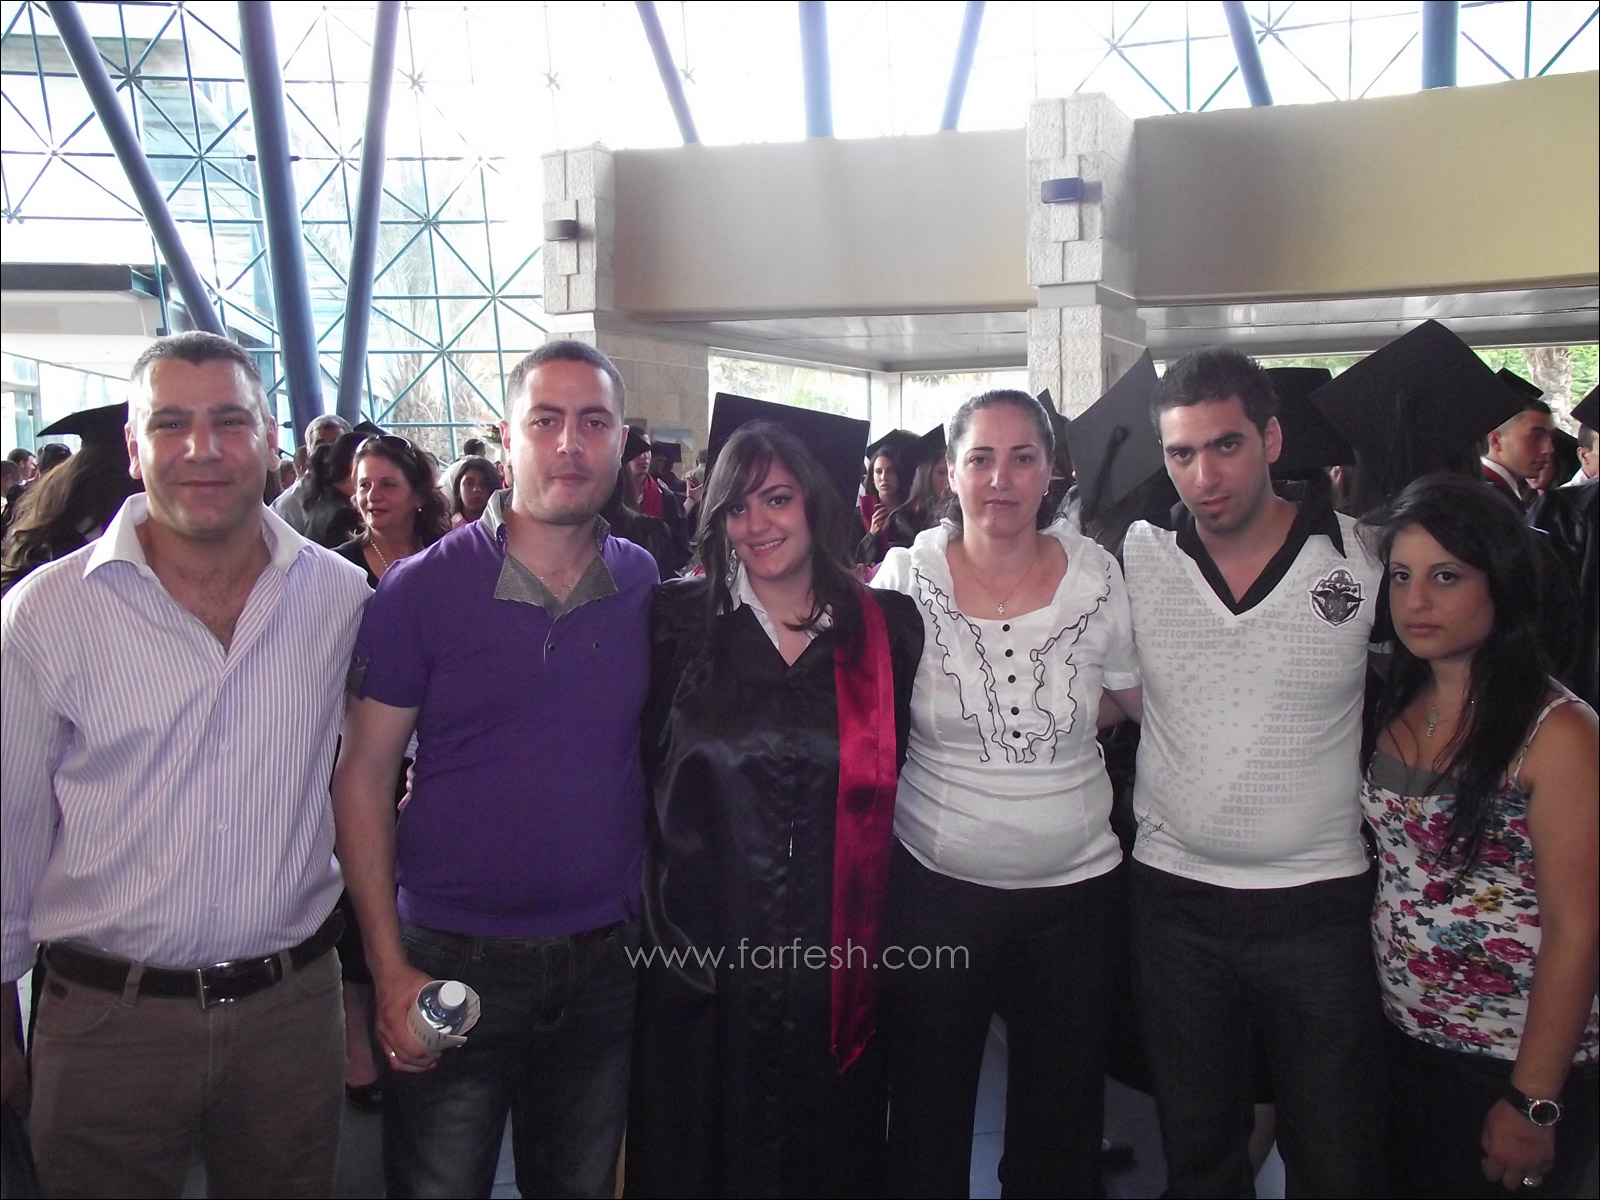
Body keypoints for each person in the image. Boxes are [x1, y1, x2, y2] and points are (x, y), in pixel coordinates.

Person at [0, 330, 370, 1197]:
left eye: (230, 421)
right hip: (106, 1028)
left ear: (271, 443)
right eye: (171, 424)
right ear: (134, 447)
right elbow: (7, 832)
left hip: (289, 1019)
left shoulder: (340, 598)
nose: (202, 448)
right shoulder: (44, 616)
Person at [332, 339, 656, 1199]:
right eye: (545, 421)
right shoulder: (420, 590)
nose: (570, 443)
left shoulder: (642, 583)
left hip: (603, 961)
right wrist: (387, 968)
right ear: (506, 438)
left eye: (594, 422)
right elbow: (362, 778)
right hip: (449, 956)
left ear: (622, 443)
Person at [626, 417, 922, 1198]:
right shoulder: (674, 624)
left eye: (777, 499)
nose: (756, 523)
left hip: (838, 962)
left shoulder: (886, 630)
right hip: (698, 956)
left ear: (816, 502)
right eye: (736, 506)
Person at [1122, 347, 1387, 1197]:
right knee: (1198, 1150)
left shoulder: (1364, 556)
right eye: (1182, 453)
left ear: (1271, 439)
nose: (1204, 475)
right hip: (1176, 904)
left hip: (1318, 907)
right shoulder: (1139, 557)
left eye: (1226, 445)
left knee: (1334, 1153)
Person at [874, 390, 1141, 1197]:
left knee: (1059, 1126)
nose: (1001, 478)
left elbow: (1130, 698)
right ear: (949, 473)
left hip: (1075, 899)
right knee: (926, 1113)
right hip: (936, 892)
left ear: (1050, 469)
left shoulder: (1097, 575)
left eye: (1022, 458)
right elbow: (860, 711)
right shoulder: (906, 576)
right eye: (981, 459)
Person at [1359, 474, 1598, 1197]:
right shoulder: (1402, 699)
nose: (1416, 602)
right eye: (1402, 577)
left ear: (1500, 581)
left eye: (1446, 577)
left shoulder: (1558, 733)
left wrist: (1533, 1098)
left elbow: (1579, 928)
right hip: (1405, 1039)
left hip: (1511, 1057)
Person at [272, 412, 353, 534]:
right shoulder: (289, 504)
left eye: (336, 442)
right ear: (308, 452)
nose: (329, 450)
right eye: (320, 444)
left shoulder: (366, 491)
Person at [857, 430, 917, 567]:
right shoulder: (859, 515)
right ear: (872, 478)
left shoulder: (914, 512)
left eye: (890, 471)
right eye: (878, 471)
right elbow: (855, 561)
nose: (884, 477)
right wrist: (871, 535)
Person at [1481, 399, 1554, 511]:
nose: (1548, 449)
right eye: (1536, 436)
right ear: (1496, 440)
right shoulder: (1483, 496)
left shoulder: (1504, 491)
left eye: (1550, 438)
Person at [450, 454, 499, 527]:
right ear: (458, 489)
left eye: (484, 484)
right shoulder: (448, 529)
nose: (476, 489)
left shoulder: (506, 527)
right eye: (469, 483)